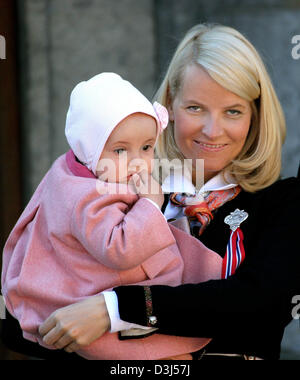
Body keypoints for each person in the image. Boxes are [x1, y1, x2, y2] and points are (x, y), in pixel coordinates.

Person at [34, 23, 299, 361]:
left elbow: (260, 307)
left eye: (233, 111)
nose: (212, 130)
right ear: (169, 106)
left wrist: (114, 309)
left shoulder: (284, 202)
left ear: (255, 116)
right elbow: (32, 314)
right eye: (195, 108)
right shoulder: (110, 188)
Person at [1, 72, 224, 360]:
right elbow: (119, 249)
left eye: (146, 147)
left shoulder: (68, 171)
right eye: (120, 150)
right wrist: (151, 205)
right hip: (93, 303)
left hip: (87, 294)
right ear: (90, 150)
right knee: (172, 356)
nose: (136, 162)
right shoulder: (88, 196)